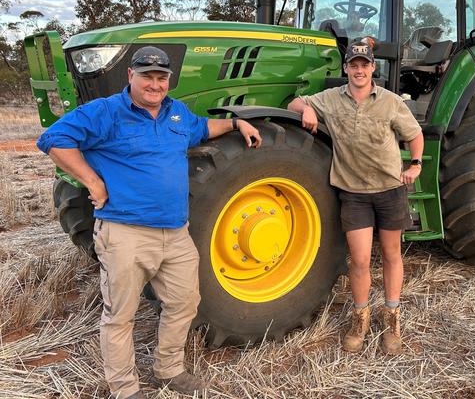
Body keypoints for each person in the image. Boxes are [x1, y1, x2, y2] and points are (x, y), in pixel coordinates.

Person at [37, 46, 262, 398]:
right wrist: (93, 182)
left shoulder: (176, 114)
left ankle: (168, 369)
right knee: (120, 315)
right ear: (131, 76)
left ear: (168, 80)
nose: (154, 84)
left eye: (161, 78)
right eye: (147, 76)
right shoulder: (107, 112)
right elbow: (53, 138)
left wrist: (236, 122)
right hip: (125, 233)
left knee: (185, 302)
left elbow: (202, 128)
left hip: (175, 234)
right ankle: (125, 388)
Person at [288, 40, 423, 355]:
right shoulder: (331, 99)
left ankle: (392, 320)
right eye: (354, 65)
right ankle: (360, 319)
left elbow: (414, 134)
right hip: (354, 194)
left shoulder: (389, 101)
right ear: (346, 68)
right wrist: (307, 108)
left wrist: (415, 164)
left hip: (389, 189)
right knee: (360, 260)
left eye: (365, 65)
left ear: (373, 68)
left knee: (391, 255)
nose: (359, 70)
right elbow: (295, 102)